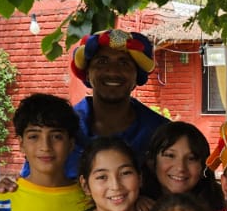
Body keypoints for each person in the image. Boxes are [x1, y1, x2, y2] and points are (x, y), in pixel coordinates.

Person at [63, 29, 165, 177]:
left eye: (124, 62)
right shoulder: (62, 129)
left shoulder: (160, 133)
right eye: (102, 61)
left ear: (137, 76)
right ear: (87, 73)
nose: (113, 71)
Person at [139, 120, 223, 211]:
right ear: (151, 161)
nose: (181, 168)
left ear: (204, 166)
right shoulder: (138, 209)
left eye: (191, 158)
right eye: (170, 156)